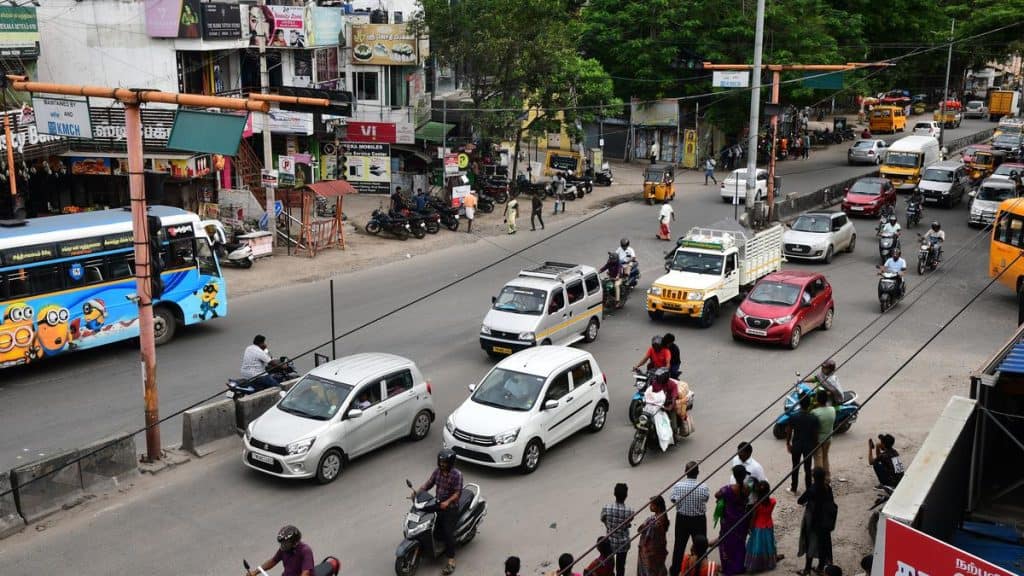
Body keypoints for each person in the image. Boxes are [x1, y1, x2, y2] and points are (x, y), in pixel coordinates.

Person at [416, 449, 463, 575]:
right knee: (421, 513)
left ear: (451, 463)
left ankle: (451, 560)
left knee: (448, 532)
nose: (442, 464)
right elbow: (429, 483)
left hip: (450, 507)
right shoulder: (437, 472)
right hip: (437, 503)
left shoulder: (457, 475)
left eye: (445, 462)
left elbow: (458, 493)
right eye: (441, 461)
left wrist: (447, 502)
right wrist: (418, 491)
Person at [669, 462, 709, 576]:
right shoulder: (703, 486)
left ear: (685, 472)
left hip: (682, 519)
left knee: (679, 545)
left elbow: (673, 499)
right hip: (698, 519)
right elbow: (706, 499)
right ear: (698, 473)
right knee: (701, 545)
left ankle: (676, 570)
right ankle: (702, 569)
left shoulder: (678, 486)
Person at [797, 467, 836, 576]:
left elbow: (800, 501)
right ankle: (820, 567)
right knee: (823, 544)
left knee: (810, 544)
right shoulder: (827, 488)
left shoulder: (812, 489)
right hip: (826, 521)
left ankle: (807, 570)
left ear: (814, 477)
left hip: (813, 522)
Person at [714, 465, 749, 575]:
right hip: (741, 519)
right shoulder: (747, 488)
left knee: (726, 542)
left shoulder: (728, 489)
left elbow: (717, 494)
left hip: (728, 520)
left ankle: (728, 568)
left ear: (734, 475)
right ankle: (739, 566)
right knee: (739, 542)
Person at [247, 525, 314, 576]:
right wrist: (255, 572)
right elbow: (273, 561)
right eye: (282, 543)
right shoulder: (285, 549)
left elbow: (306, 572)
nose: (282, 546)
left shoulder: (305, 551)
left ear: (294, 542)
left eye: (285, 543)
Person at [787, 394, 820, 494]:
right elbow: (815, 434)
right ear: (809, 404)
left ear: (799, 404)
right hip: (808, 446)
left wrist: (788, 443)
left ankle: (793, 488)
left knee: (795, 466)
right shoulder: (813, 418)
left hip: (796, 445)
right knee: (808, 468)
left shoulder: (793, 416)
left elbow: (789, 431)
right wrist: (816, 444)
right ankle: (808, 489)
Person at [744, 481, 779, 573]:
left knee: (757, 546)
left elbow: (754, 518)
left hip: (758, 528)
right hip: (769, 525)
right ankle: (768, 562)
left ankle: (756, 564)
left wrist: (750, 527)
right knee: (768, 545)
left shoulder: (757, 505)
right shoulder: (773, 502)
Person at [601, 483, 634, 576]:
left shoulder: (606, 508)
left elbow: (603, 519)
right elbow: (628, 522)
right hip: (623, 543)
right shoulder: (630, 511)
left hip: (610, 541)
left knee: (609, 565)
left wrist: (609, 526)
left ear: (614, 494)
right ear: (626, 496)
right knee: (620, 566)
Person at [637, 495, 670, 576]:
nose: (650, 507)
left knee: (652, 569)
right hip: (654, 549)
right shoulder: (658, 517)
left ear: (658, 507)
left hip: (652, 549)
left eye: (652, 505)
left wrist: (646, 524)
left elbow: (641, 529)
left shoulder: (657, 521)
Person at [810, 389, 836, 482]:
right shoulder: (832, 409)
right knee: (825, 457)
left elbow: (813, 428)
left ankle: (819, 479)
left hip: (818, 439)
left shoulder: (815, 412)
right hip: (829, 438)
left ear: (817, 399)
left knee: (818, 458)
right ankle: (827, 476)